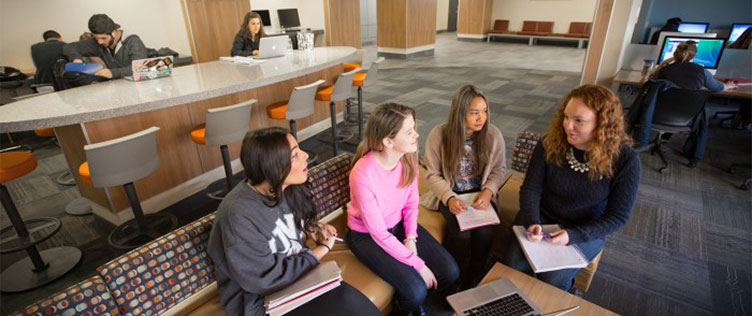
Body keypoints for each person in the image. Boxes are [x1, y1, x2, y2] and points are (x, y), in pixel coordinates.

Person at [207, 127, 381, 316]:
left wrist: (311, 227)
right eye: (295, 155)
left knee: (357, 305)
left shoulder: (284, 186)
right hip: (261, 301)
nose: (306, 155)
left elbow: (287, 221)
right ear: (273, 166)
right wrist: (320, 251)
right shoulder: (238, 214)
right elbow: (263, 280)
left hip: (295, 279)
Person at [502, 85, 641, 292]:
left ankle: (567, 294)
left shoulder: (626, 160)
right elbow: (531, 189)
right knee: (513, 267)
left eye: (579, 121)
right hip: (542, 219)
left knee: (552, 279)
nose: (568, 126)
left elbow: (617, 217)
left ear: (602, 124)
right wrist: (532, 220)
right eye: (566, 117)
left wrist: (572, 235)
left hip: (585, 229)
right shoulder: (550, 143)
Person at [347, 103, 459, 316]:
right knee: (415, 291)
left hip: (397, 225)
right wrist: (417, 264)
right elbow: (379, 234)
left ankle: (417, 305)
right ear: (388, 141)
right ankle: (406, 309)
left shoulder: (408, 159)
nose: (416, 135)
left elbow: (410, 205)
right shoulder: (362, 173)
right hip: (366, 236)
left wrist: (410, 238)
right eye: (409, 132)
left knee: (450, 272)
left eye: (414, 128)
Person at [423, 85, 506, 289]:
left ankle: (476, 275)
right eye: (474, 113)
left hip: (480, 195)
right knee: (461, 233)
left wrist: (488, 192)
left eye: (485, 111)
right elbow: (432, 174)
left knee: (486, 231)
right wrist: (450, 198)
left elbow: (498, 171)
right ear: (460, 113)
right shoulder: (439, 134)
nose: (482, 118)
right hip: (452, 194)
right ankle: (454, 277)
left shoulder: (493, 135)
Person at [634, 41, 737, 167]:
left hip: (657, 116)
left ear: (675, 54)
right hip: (686, 120)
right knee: (703, 111)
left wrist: (664, 63)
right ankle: (694, 156)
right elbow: (718, 88)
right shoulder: (701, 72)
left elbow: (650, 80)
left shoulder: (665, 70)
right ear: (693, 56)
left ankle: (655, 139)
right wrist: (728, 85)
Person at [63, 14, 147, 79]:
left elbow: (140, 67)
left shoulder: (133, 42)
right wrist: (76, 58)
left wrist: (113, 73)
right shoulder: (97, 43)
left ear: (113, 32)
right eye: (96, 38)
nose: (100, 42)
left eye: (103, 38)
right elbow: (68, 47)